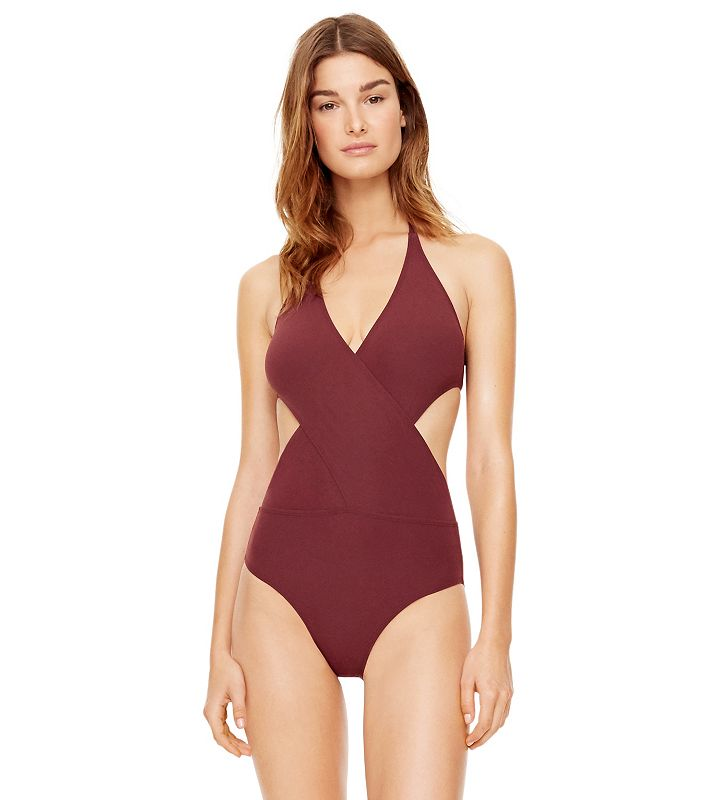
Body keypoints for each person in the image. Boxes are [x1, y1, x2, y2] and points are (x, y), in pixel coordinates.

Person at [204, 13, 516, 798]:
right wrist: (218, 646)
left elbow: (489, 460)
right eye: (328, 104)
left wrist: (497, 635)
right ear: (306, 125)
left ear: (404, 109)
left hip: (419, 593)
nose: (354, 122)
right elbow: (254, 467)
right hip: (279, 594)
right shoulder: (265, 287)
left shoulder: (475, 267)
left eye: (372, 97)